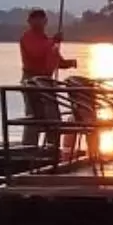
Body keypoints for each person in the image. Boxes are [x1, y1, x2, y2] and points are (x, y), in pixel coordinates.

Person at [18, 8, 76, 148]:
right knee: (34, 116)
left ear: (45, 21)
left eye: (41, 18)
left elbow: (57, 61)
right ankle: (29, 147)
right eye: (35, 19)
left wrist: (69, 63)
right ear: (29, 21)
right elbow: (36, 53)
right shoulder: (27, 37)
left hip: (47, 82)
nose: (38, 22)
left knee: (52, 116)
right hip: (32, 80)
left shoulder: (47, 40)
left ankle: (52, 147)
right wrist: (53, 41)